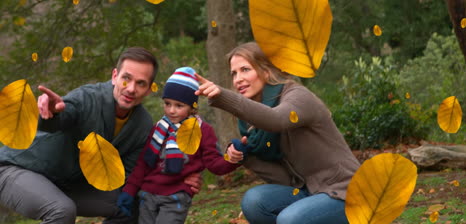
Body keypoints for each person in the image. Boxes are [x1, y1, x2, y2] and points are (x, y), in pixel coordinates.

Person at [0, 47, 202, 224]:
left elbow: (132, 176)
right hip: (18, 168)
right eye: (126, 78)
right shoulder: (88, 97)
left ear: (149, 89)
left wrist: (180, 178)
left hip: (69, 184)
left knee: (134, 202)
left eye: (140, 83)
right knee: (61, 210)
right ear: (115, 76)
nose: (131, 89)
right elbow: (62, 116)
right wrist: (52, 112)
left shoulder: (141, 125)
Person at [195, 42, 361, 224]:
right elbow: (285, 180)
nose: (237, 79)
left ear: (266, 71)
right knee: (254, 202)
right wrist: (245, 155)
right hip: (309, 191)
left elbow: (276, 119)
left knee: (289, 220)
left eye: (245, 69)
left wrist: (223, 97)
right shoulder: (253, 121)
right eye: (234, 73)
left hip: (345, 191)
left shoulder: (297, 96)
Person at [117, 66, 239, 224]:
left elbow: (214, 164)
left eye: (179, 105)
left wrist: (233, 157)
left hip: (175, 196)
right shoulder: (159, 128)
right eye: (167, 104)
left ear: (192, 106)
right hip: (148, 194)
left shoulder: (202, 130)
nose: (171, 110)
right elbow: (143, 164)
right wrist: (129, 190)